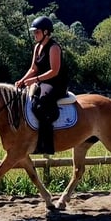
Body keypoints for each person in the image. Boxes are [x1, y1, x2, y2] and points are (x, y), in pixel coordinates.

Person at [15, 15, 68, 154]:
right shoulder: (37, 47)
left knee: (41, 104)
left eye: (37, 32)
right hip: (42, 82)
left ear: (45, 32)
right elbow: (34, 68)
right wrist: (22, 80)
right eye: (34, 32)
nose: (34, 34)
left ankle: (46, 144)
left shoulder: (54, 48)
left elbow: (54, 71)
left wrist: (35, 80)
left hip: (56, 84)